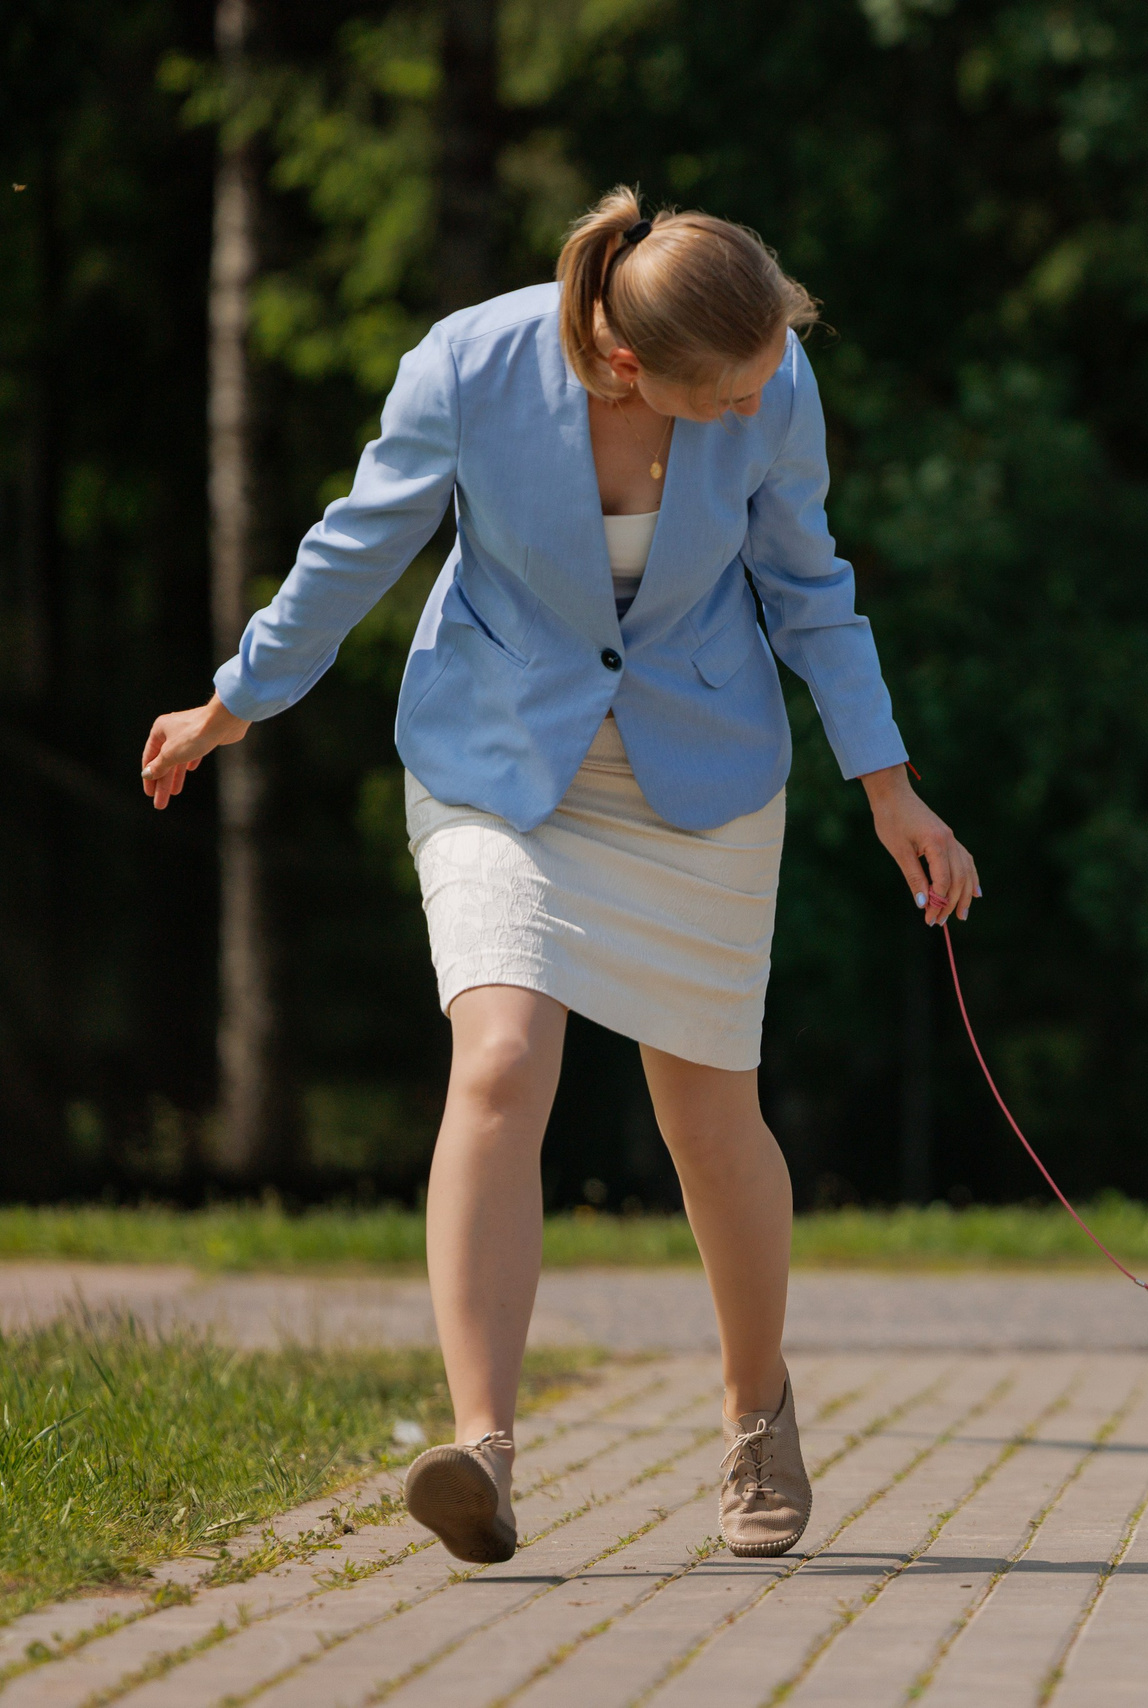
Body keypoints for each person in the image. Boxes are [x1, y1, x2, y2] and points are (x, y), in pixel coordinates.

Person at [139, 187, 979, 1563]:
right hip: (499, 759)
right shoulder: (467, 366)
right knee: (500, 1059)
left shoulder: (769, 368)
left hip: (698, 771)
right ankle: (484, 1446)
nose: (770, 391)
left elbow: (810, 584)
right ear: (634, 363)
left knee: (708, 1122)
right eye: (740, 386)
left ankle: (756, 1410)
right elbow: (357, 546)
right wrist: (234, 703)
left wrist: (890, 788)